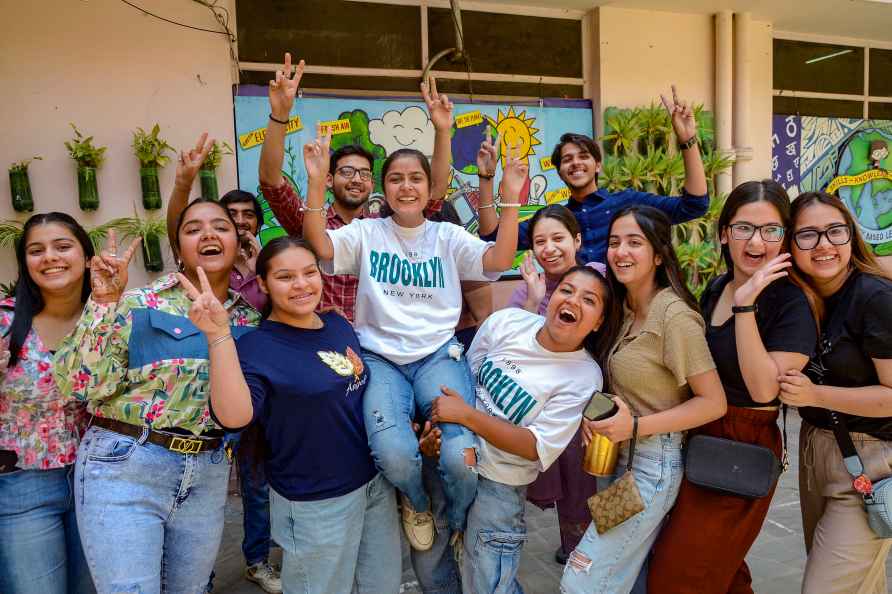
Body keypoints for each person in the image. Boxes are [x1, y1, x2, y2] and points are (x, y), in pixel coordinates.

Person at [298, 90, 526, 554]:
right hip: (380, 359)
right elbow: (321, 248)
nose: (407, 187)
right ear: (385, 189)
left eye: (416, 178)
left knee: (463, 459)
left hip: (438, 357)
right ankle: (417, 501)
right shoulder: (366, 232)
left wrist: (508, 201)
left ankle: (458, 521)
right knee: (396, 455)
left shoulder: (447, 235)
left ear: (428, 188)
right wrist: (317, 183)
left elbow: (499, 259)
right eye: (397, 179)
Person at [53, 198, 260, 594]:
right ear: (178, 246)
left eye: (221, 226)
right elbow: (81, 384)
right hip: (126, 464)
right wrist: (102, 302)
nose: (209, 234)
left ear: (239, 243)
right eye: (193, 228)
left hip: (208, 469)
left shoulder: (250, 320)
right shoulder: (137, 303)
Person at [177, 236, 400, 594]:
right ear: (263, 283)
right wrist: (218, 335)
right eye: (285, 277)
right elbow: (234, 417)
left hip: (373, 487)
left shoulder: (337, 325)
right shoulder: (256, 347)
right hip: (315, 503)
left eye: (309, 272)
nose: (301, 284)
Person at [647, 180, 817, 593]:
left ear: (785, 237)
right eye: (743, 228)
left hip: (743, 443)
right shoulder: (717, 287)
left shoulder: (791, 302)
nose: (756, 241)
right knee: (720, 568)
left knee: (679, 574)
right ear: (725, 233)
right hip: (701, 433)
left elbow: (763, 390)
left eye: (771, 230)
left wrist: (746, 306)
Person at [561, 205, 726, 594]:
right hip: (619, 461)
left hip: (652, 468)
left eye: (634, 242)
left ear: (658, 253)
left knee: (581, 576)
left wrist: (634, 426)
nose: (620, 252)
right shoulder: (626, 309)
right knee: (624, 573)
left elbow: (712, 402)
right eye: (615, 242)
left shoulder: (675, 317)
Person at [430, 264, 618, 594]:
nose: (573, 301)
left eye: (589, 300)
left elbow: (535, 445)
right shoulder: (508, 321)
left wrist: (467, 417)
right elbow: (465, 383)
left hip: (500, 484)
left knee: (489, 585)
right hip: (456, 459)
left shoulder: (585, 376)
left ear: (599, 321)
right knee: (442, 567)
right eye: (567, 290)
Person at [258, 54, 453, 324]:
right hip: (326, 338)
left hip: (380, 341)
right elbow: (271, 181)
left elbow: (436, 191)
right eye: (346, 172)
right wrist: (280, 115)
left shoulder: (385, 224)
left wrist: (442, 131)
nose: (356, 179)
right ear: (328, 179)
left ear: (373, 184)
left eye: (364, 173)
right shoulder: (309, 223)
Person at [167, 139, 281, 593]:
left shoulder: (259, 269)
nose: (231, 227)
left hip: (245, 393)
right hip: (190, 409)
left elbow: (278, 316)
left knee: (254, 483)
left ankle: (255, 559)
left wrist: (257, 270)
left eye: (242, 218)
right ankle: (196, 573)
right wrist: (183, 182)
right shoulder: (189, 272)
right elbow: (178, 226)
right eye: (220, 221)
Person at [778, 192, 892, 594]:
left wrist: (816, 395)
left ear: (851, 235)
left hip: (873, 458)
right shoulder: (798, 299)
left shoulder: (874, 297)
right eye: (808, 235)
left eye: (834, 231)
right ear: (790, 243)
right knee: (861, 585)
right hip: (817, 451)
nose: (824, 244)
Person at [476, 86, 709, 266]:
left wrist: (687, 140)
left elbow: (694, 206)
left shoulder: (628, 203)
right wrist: (486, 178)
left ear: (597, 165)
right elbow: (492, 237)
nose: (575, 163)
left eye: (583, 156)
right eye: (567, 159)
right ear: (559, 172)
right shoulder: (555, 220)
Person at [0, 213, 97, 594]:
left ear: (86, 256)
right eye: (35, 250)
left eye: (62, 246)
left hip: (98, 483)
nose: (50, 257)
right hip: (22, 485)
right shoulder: (6, 321)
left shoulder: (106, 320)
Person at [503, 204, 604, 564]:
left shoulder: (598, 276)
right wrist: (532, 297)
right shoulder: (527, 292)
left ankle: (604, 554)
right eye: (540, 241)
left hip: (601, 401)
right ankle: (576, 548)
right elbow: (511, 348)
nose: (549, 248)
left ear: (576, 240)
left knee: (602, 481)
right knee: (572, 480)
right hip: (555, 408)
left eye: (558, 238)